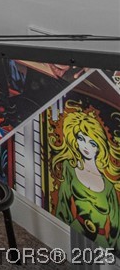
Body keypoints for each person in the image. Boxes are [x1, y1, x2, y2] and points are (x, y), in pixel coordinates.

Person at [49, 103, 120, 248]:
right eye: (81, 139)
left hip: (101, 241)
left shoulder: (108, 187)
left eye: (92, 143)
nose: (86, 146)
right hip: (75, 228)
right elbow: (63, 205)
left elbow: (115, 229)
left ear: (99, 146)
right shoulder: (70, 167)